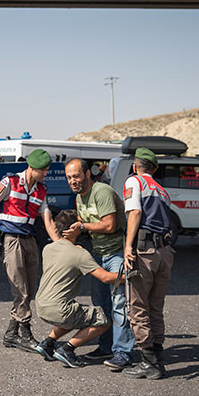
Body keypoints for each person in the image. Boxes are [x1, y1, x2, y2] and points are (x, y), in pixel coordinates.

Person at [0, 149, 60, 352]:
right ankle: (25, 333)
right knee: (20, 289)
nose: (46, 174)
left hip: (30, 240)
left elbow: (47, 218)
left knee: (29, 289)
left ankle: (11, 334)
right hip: (11, 240)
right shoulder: (9, 182)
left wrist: (59, 243)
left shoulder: (41, 190)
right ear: (32, 168)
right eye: (43, 170)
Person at [64, 159, 134, 371]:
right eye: (69, 178)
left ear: (87, 174)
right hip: (98, 254)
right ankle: (106, 347)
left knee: (119, 303)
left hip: (116, 254)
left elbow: (110, 225)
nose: (73, 181)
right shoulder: (79, 198)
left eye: (76, 176)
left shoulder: (101, 191)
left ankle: (123, 353)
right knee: (101, 304)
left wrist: (82, 226)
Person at [34, 210, 123, 368]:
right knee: (103, 321)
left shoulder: (48, 248)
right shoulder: (80, 254)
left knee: (74, 311)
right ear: (73, 228)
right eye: (80, 224)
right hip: (60, 310)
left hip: (41, 306)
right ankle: (67, 349)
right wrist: (129, 277)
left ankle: (48, 343)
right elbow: (106, 278)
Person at [121, 148, 175, 380]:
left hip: (145, 251)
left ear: (135, 166)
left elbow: (134, 212)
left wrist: (128, 246)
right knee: (155, 307)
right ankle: (158, 359)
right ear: (154, 168)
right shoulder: (162, 190)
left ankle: (149, 362)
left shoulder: (134, 182)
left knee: (138, 308)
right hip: (165, 252)